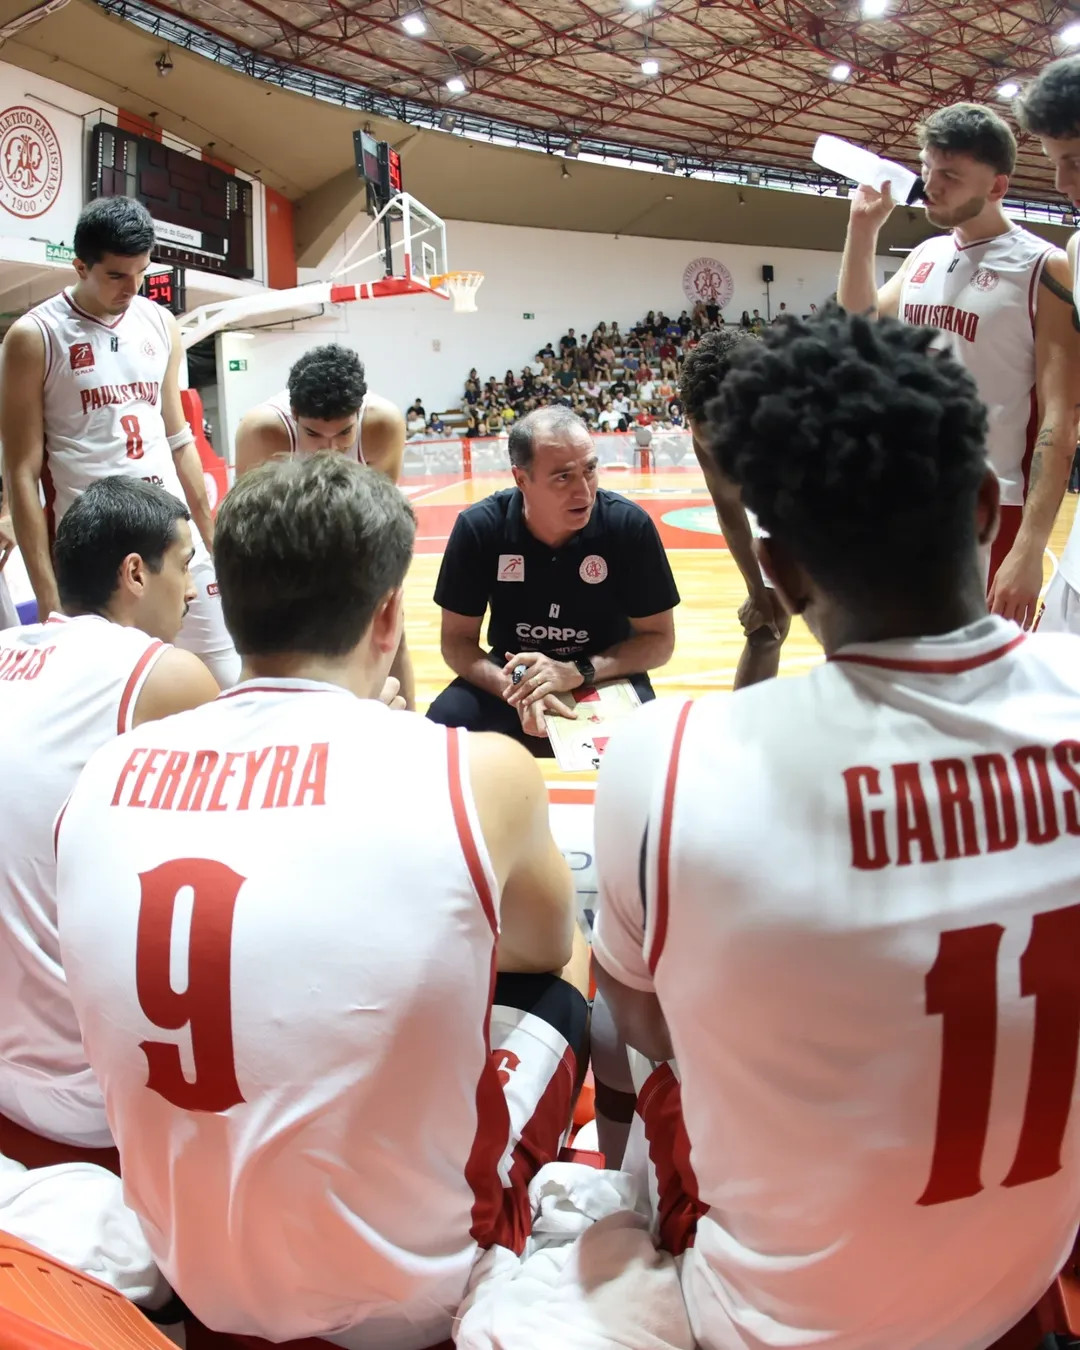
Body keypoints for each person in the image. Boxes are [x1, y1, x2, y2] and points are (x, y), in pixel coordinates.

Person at [594, 308, 1080, 1350]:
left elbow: (648, 1027)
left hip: (773, 1317)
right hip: (1026, 1274)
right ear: (987, 509)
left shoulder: (669, 758)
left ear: (778, 568)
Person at [55, 453, 586, 1349]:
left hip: (189, 1265)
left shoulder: (104, 771)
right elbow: (539, 949)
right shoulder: (476, 770)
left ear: (227, 603)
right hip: (406, 1303)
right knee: (568, 967)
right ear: (388, 616)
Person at [0, 477, 219, 1165]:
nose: (192, 591)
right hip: (89, 1093)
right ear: (135, 573)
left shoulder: (9, 650)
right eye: (183, 565)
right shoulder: (163, 674)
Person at [837, 101, 1080, 628]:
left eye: (949, 175)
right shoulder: (923, 255)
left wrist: (1029, 548)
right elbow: (857, 325)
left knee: (977, 670)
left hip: (990, 506)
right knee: (902, 657)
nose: (930, 185)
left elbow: (1060, 420)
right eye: (927, 168)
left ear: (997, 186)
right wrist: (862, 230)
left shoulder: (1046, 268)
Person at [0, 196, 240, 688]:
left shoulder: (160, 322)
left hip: (173, 537)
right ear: (80, 266)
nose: (131, 288)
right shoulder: (34, 336)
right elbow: (21, 472)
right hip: (96, 550)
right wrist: (48, 598)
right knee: (113, 696)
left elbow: (179, 440)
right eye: (115, 276)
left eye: (141, 273)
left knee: (224, 678)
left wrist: (213, 541)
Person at [427, 407, 679, 751]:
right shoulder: (479, 527)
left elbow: (660, 640)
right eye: (563, 477)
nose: (584, 492)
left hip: (604, 673)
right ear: (521, 479)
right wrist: (520, 689)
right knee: (440, 728)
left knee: (649, 743)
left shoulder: (629, 526)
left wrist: (578, 671)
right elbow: (456, 642)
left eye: (590, 470)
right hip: (512, 673)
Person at [234, 343, 414, 705]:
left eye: (344, 433)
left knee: (390, 630)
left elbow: (379, 517)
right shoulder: (262, 431)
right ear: (294, 415)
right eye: (314, 435)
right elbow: (253, 529)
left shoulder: (383, 423)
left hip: (353, 535)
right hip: (284, 542)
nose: (330, 447)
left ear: (359, 413)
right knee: (272, 639)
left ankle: (410, 725)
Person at [682, 329, 791, 687]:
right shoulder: (703, 418)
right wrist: (757, 592)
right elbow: (730, 510)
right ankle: (743, 725)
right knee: (767, 626)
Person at [1014, 58, 1080, 635]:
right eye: (1055, 163)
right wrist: (1031, 543)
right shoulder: (1078, 252)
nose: (1060, 183)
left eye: (1075, 162)